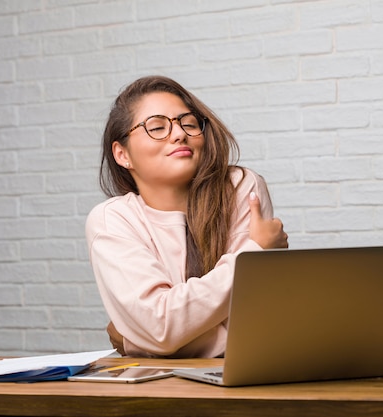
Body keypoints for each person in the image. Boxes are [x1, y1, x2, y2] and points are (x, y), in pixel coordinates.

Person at [86, 75, 288, 358]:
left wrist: (137, 340)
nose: (179, 133)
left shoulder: (241, 187)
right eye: (157, 127)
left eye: (188, 123)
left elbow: (253, 327)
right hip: (158, 389)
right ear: (122, 154)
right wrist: (253, 254)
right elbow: (161, 327)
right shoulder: (113, 220)